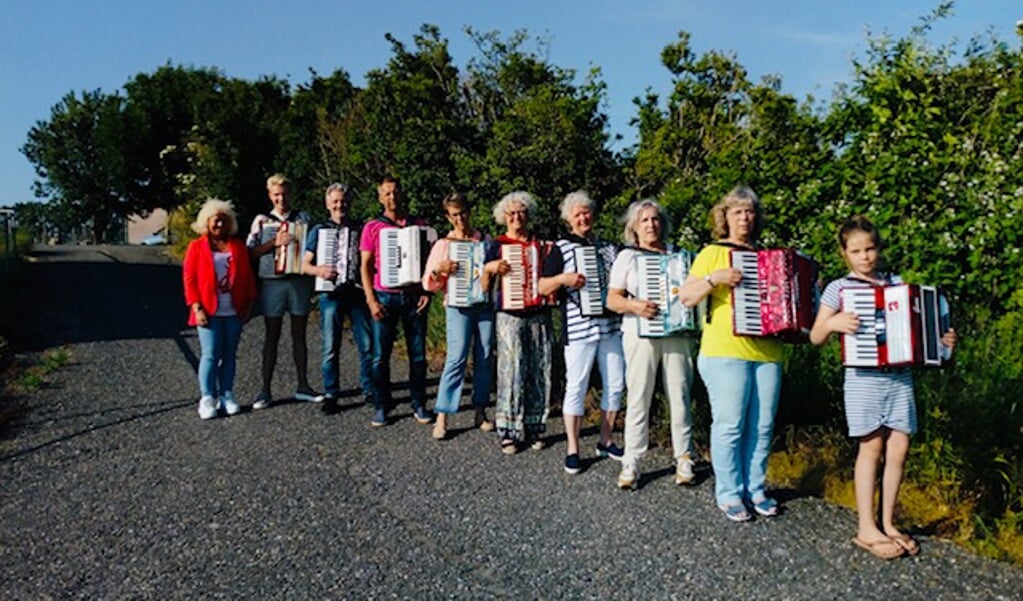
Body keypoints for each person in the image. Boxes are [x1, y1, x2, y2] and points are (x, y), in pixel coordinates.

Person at [809, 215, 956, 559]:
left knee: (900, 448)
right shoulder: (839, 288)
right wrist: (832, 323)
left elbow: (921, 332)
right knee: (871, 448)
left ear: (878, 248)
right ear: (844, 253)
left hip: (899, 377)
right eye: (857, 251)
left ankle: (888, 523)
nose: (865, 257)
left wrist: (945, 342)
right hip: (863, 379)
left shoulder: (896, 284)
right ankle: (866, 527)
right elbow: (815, 336)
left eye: (870, 249)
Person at [678, 185, 782, 522]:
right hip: (724, 350)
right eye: (737, 212)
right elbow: (686, 297)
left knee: (763, 426)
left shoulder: (768, 257)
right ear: (725, 217)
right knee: (730, 425)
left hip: (768, 351)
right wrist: (714, 278)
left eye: (750, 211)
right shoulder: (712, 253)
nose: (745, 218)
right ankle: (729, 492)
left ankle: (756, 488)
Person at [606, 199, 697, 489]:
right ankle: (631, 460)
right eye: (644, 220)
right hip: (639, 333)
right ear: (634, 227)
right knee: (638, 396)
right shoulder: (627, 257)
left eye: (655, 219)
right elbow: (612, 299)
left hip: (677, 334)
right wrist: (635, 306)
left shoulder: (682, 255)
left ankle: (684, 455)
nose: (651, 225)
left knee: (680, 394)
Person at [539, 191, 624, 475]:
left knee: (615, 383)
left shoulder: (609, 248)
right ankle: (573, 448)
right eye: (577, 214)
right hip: (579, 327)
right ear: (568, 219)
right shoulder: (561, 248)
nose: (583, 217)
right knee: (576, 385)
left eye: (586, 212)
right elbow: (541, 287)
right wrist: (563, 279)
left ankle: (605, 440)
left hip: (611, 326)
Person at [360, 176, 433, 427]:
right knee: (380, 355)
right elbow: (365, 267)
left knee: (418, 355)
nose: (392, 197)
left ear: (402, 194)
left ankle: (419, 403)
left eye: (396, 192)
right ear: (380, 197)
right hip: (384, 295)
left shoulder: (420, 225)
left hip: (414, 297)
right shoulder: (372, 227)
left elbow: (430, 264)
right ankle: (382, 405)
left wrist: (428, 291)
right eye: (387, 193)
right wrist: (370, 299)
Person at [422, 192, 495, 440]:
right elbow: (427, 283)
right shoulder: (443, 245)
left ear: (469, 211)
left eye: (463, 212)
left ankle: (480, 410)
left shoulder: (485, 240)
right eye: (454, 215)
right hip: (457, 306)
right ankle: (442, 414)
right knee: (456, 358)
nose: (460, 218)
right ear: (448, 217)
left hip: (484, 305)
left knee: (485, 356)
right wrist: (438, 270)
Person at [485, 191, 553, 455]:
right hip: (509, 315)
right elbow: (482, 286)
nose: (516, 217)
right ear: (504, 217)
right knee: (510, 371)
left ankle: (535, 426)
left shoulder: (542, 245)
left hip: (539, 314)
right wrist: (490, 268)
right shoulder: (496, 245)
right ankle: (508, 431)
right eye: (511, 213)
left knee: (540, 368)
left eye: (521, 212)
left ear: (528, 215)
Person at [245, 174, 321, 409]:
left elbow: (315, 246)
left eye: (285, 193)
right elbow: (249, 253)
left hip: (298, 281)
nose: (281, 199)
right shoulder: (261, 220)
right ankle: (265, 389)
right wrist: (273, 244)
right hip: (272, 282)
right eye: (276, 194)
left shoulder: (304, 218)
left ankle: (303, 385)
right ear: (270, 195)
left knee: (300, 334)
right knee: (272, 335)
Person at [302, 182, 373, 415]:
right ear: (327, 203)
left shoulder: (360, 228)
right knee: (330, 346)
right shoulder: (319, 230)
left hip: (356, 292)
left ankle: (369, 389)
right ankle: (331, 393)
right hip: (330, 293)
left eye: (342, 200)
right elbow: (304, 264)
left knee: (366, 344)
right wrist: (319, 271)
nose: (339, 204)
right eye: (335, 201)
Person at [182, 199, 258, 419]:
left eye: (224, 221)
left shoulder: (238, 247)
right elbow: (189, 279)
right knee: (210, 354)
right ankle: (207, 397)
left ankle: (226, 394)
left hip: (233, 309)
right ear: (207, 222)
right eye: (216, 221)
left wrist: (250, 303)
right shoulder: (196, 247)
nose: (219, 225)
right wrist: (196, 307)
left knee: (230, 355)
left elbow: (247, 277)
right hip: (207, 310)